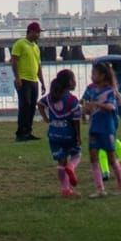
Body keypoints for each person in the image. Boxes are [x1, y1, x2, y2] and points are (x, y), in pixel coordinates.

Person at [81, 60, 121, 196]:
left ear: (103, 75)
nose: (92, 76)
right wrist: (84, 111)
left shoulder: (109, 91)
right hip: (94, 126)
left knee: (111, 157)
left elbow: (111, 107)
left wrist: (96, 104)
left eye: (94, 73)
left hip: (107, 127)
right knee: (93, 157)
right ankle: (99, 189)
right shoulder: (90, 89)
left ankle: (120, 182)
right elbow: (85, 103)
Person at [38, 68, 84, 198]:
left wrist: (46, 118)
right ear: (69, 83)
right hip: (68, 134)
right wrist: (78, 136)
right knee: (76, 155)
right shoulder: (72, 100)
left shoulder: (51, 97)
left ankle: (65, 189)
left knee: (60, 162)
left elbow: (40, 104)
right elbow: (76, 120)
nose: (75, 82)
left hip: (54, 135)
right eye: (74, 80)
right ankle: (71, 167)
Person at [12, 21, 43, 142]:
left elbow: (38, 65)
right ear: (30, 32)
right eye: (37, 32)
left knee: (31, 107)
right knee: (24, 106)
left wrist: (42, 81)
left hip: (34, 80)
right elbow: (14, 61)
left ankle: (28, 131)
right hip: (23, 80)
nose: (38, 35)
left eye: (39, 32)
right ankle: (20, 133)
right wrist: (17, 77)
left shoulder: (36, 47)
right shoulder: (20, 44)